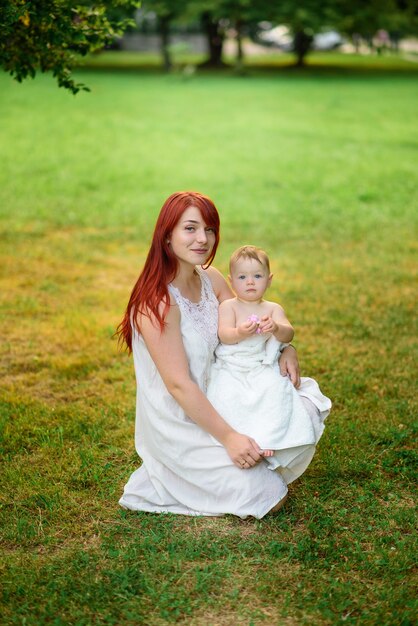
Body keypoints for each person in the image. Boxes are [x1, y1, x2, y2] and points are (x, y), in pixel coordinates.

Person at [118, 191, 313, 518]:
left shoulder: (210, 279)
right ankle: (179, 474)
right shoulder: (157, 303)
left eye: (209, 230)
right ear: (167, 235)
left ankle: (247, 450)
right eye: (190, 229)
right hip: (181, 420)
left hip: (225, 395)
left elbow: (250, 316)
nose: (203, 239)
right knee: (267, 495)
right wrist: (229, 438)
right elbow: (179, 385)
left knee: (302, 402)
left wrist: (286, 347)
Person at [206, 245, 331, 484]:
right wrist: (240, 331)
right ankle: (242, 437)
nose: (250, 282)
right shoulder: (229, 306)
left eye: (257, 276)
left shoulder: (273, 309)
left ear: (269, 279)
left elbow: (288, 333)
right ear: (232, 281)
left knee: (274, 392)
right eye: (242, 277)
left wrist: (275, 327)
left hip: (261, 366)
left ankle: (269, 437)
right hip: (234, 366)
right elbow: (224, 335)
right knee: (228, 395)